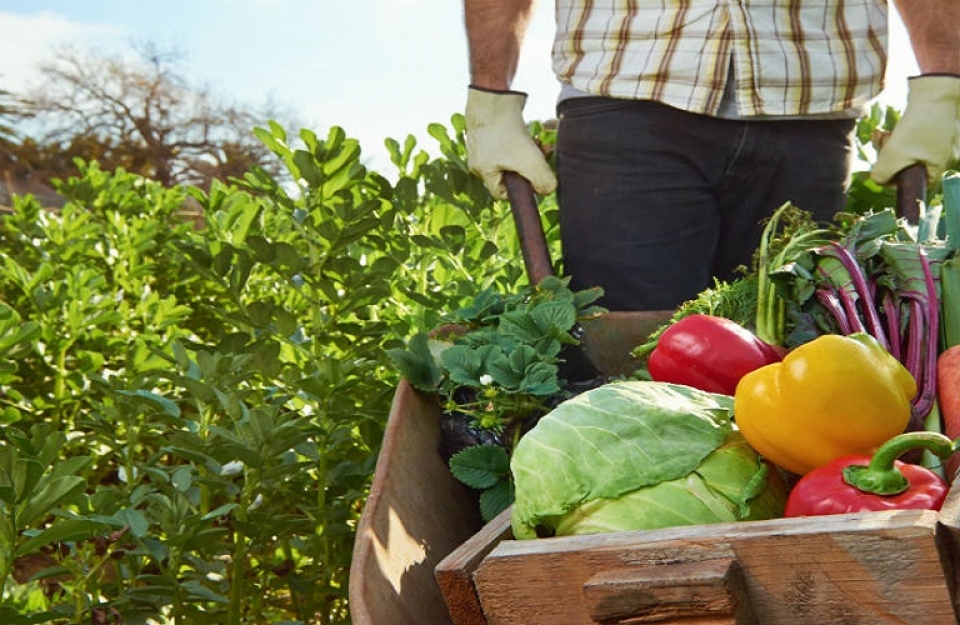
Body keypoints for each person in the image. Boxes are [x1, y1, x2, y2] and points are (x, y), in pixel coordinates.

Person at [462, 0, 960, 312]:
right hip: (626, 98)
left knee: (792, 348)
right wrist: (491, 97)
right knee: (629, 362)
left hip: (809, 105)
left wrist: (942, 82)